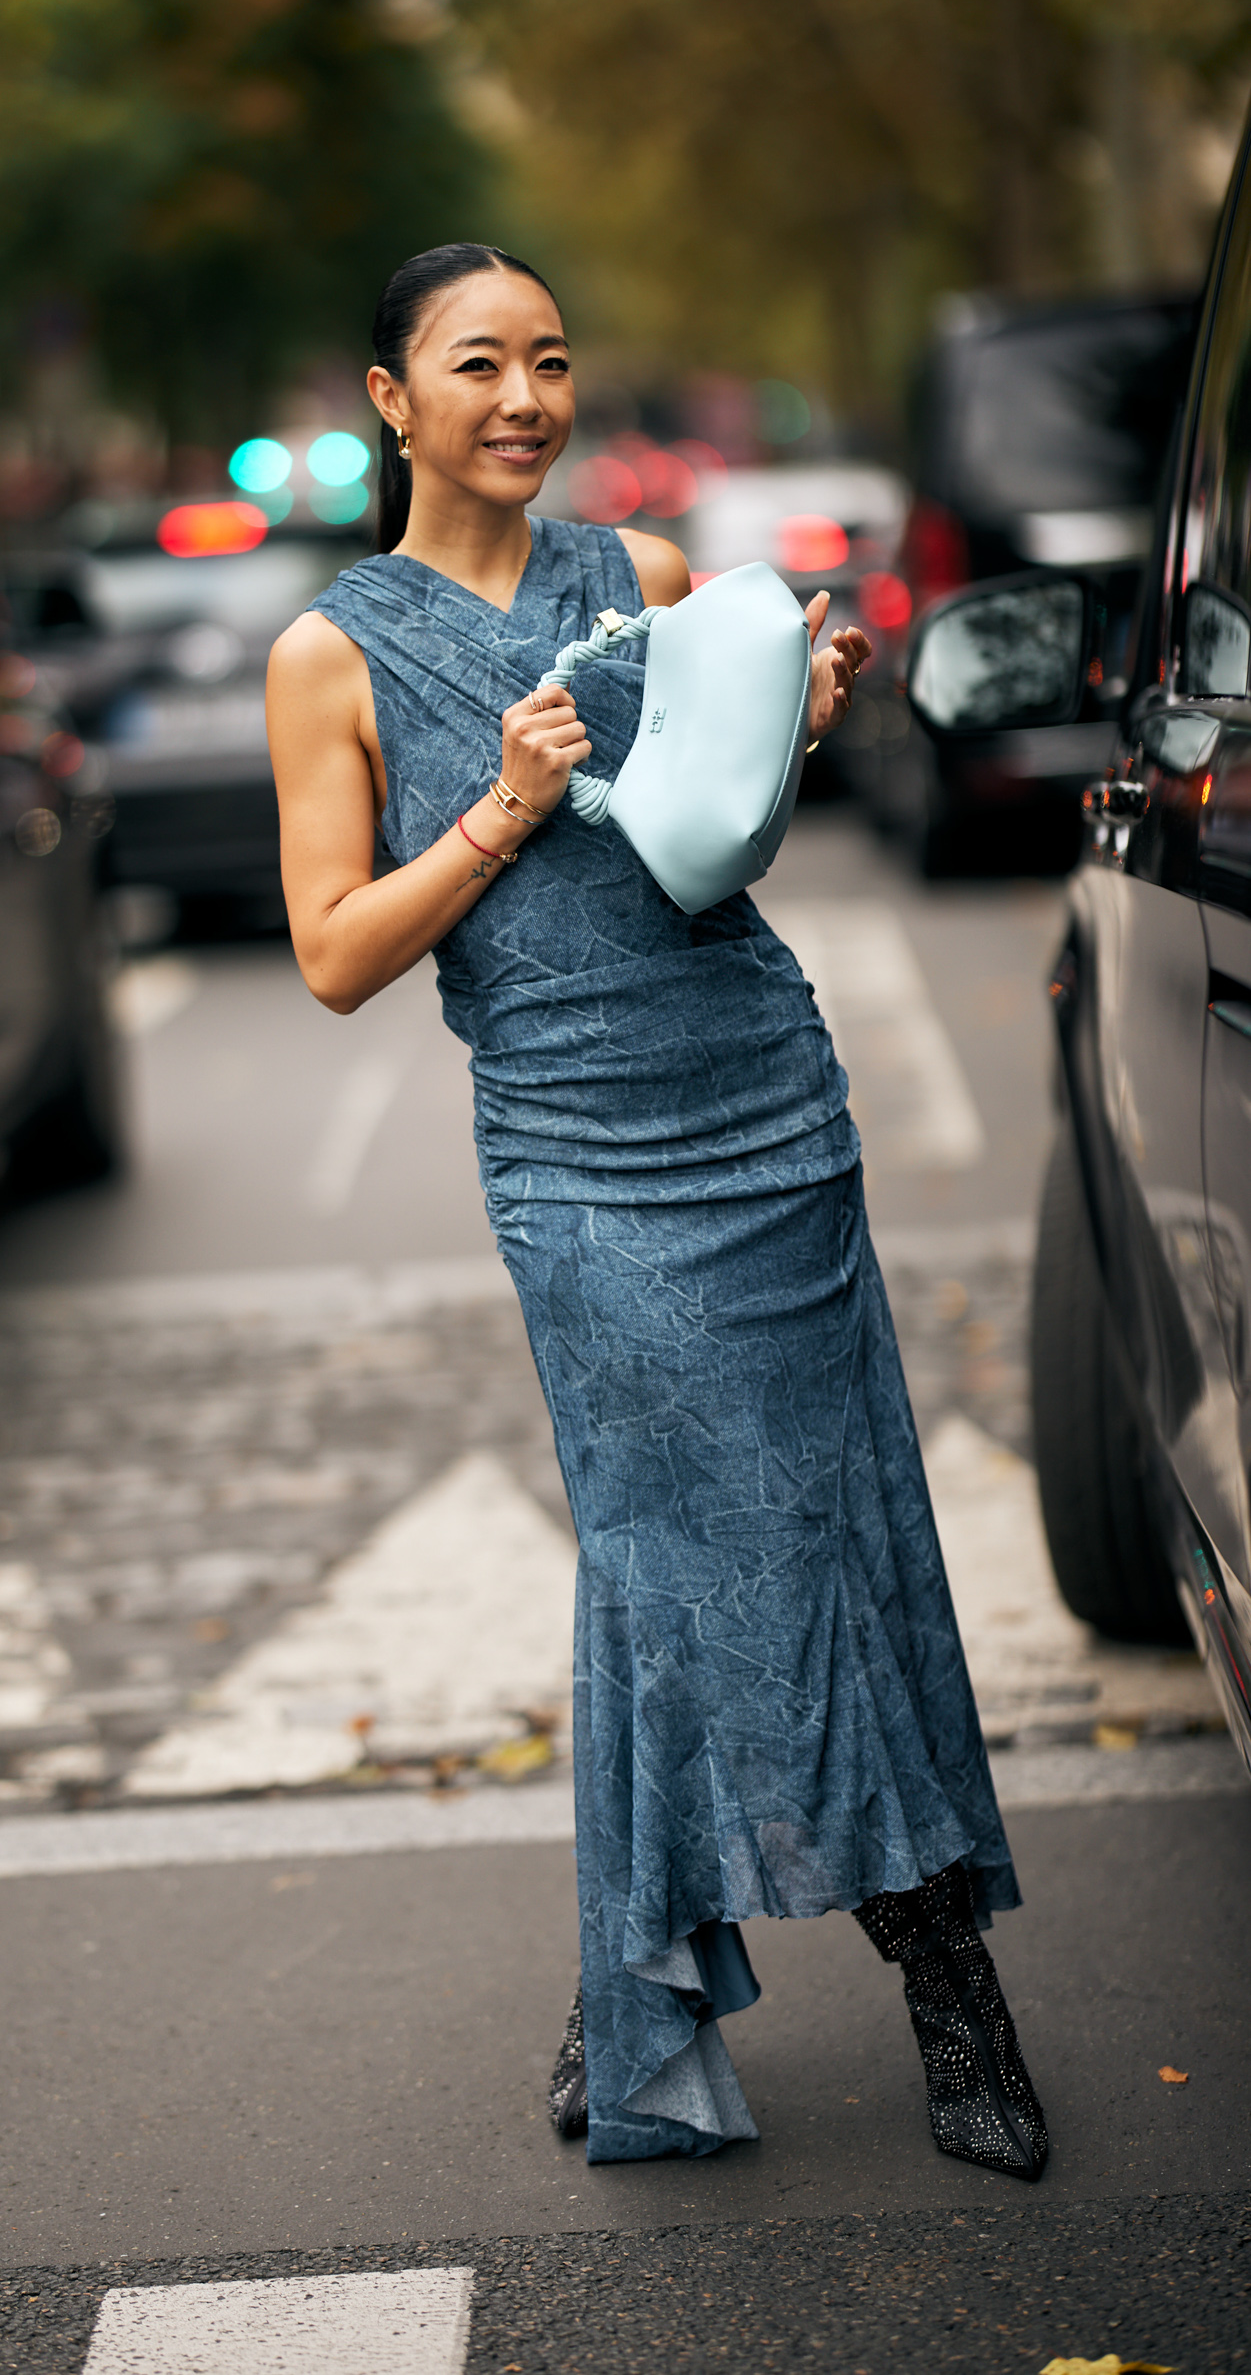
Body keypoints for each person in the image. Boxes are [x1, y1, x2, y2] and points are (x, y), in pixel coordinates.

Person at [265, 242, 1047, 2181]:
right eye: (476, 364)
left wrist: (795, 715)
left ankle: (900, 1981)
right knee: (681, 1552)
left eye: (546, 360)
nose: (522, 397)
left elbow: (718, 841)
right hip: (576, 1152)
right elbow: (334, 953)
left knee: (830, 1527)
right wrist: (505, 801)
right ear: (391, 399)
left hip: (761, 1102)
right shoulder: (330, 652)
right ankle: (691, 1964)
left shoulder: (660, 582)